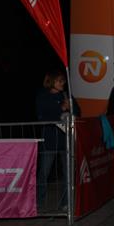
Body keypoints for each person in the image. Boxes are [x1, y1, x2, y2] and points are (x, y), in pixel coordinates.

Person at [35, 69, 78, 211]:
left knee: (68, 173)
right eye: (60, 81)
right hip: (50, 140)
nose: (62, 83)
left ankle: (65, 203)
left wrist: (71, 108)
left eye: (63, 81)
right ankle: (38, 202)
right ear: (52, 81)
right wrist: (60, 108)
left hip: (66, 141)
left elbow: (78, 112)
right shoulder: (43, 96)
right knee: (44, 173)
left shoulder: (66, 95)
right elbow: (42, 116)